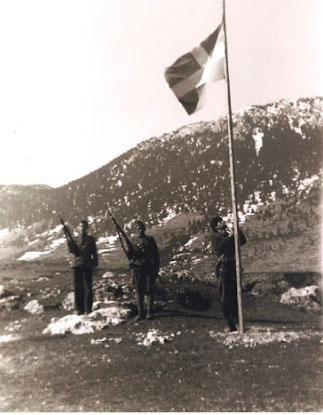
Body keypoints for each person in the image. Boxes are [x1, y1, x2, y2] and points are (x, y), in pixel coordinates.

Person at [210, 216, 246, 332]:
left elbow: (243, 241)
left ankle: (236, 321)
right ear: (216, 226)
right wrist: (230, 237)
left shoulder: (227, 235)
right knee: (225, 297)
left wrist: (237, 231)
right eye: (220, 221)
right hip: (223, 268)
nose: (222, 222)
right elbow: (218, 249)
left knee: (235, 295)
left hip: (233, 267)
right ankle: (229, 323)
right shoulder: (215, 237)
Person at [128, 220, 160, 321]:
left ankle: (149, 312)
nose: (140, 230)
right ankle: (140, 312)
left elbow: (156, 255)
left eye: (142, 228)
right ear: (135, 230)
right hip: (138, 268)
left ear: (145, 229)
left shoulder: (150, 240)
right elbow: (130, 256)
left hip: (149, 267)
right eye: (138, 228)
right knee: (139, 291)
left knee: (150, 290)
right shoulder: (133, 241)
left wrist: (156, 268)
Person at [67, 220, 98, 315]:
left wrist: (94, 264)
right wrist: (69, 241)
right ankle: (79, 309)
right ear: (78, 228)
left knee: (88, 287)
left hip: (87, 265)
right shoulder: (75, 240)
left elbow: (94, 253)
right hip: (76, 266)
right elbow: (72, 251)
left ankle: (88, 309)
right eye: (81, 227)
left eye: (84, 227)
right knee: (78, 288)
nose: (83, 229)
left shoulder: (90, 240)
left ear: (87, 229)